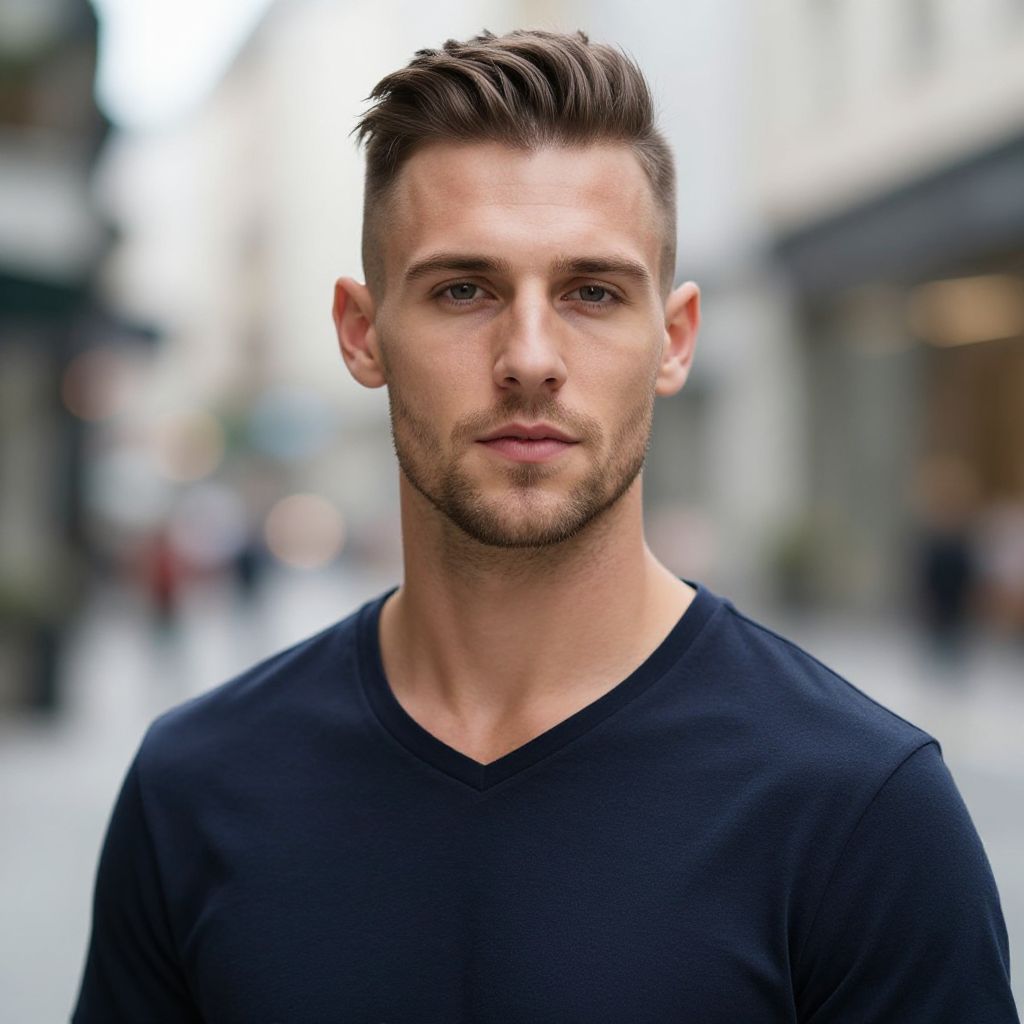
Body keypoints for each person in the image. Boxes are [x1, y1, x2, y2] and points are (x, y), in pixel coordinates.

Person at [72, 29, 1018, 1023]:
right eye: (464, 290)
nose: (529, 357)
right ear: (362, 332)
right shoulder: (198, 785)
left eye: (592, 292)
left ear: (673, 338)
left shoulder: (860, 807)